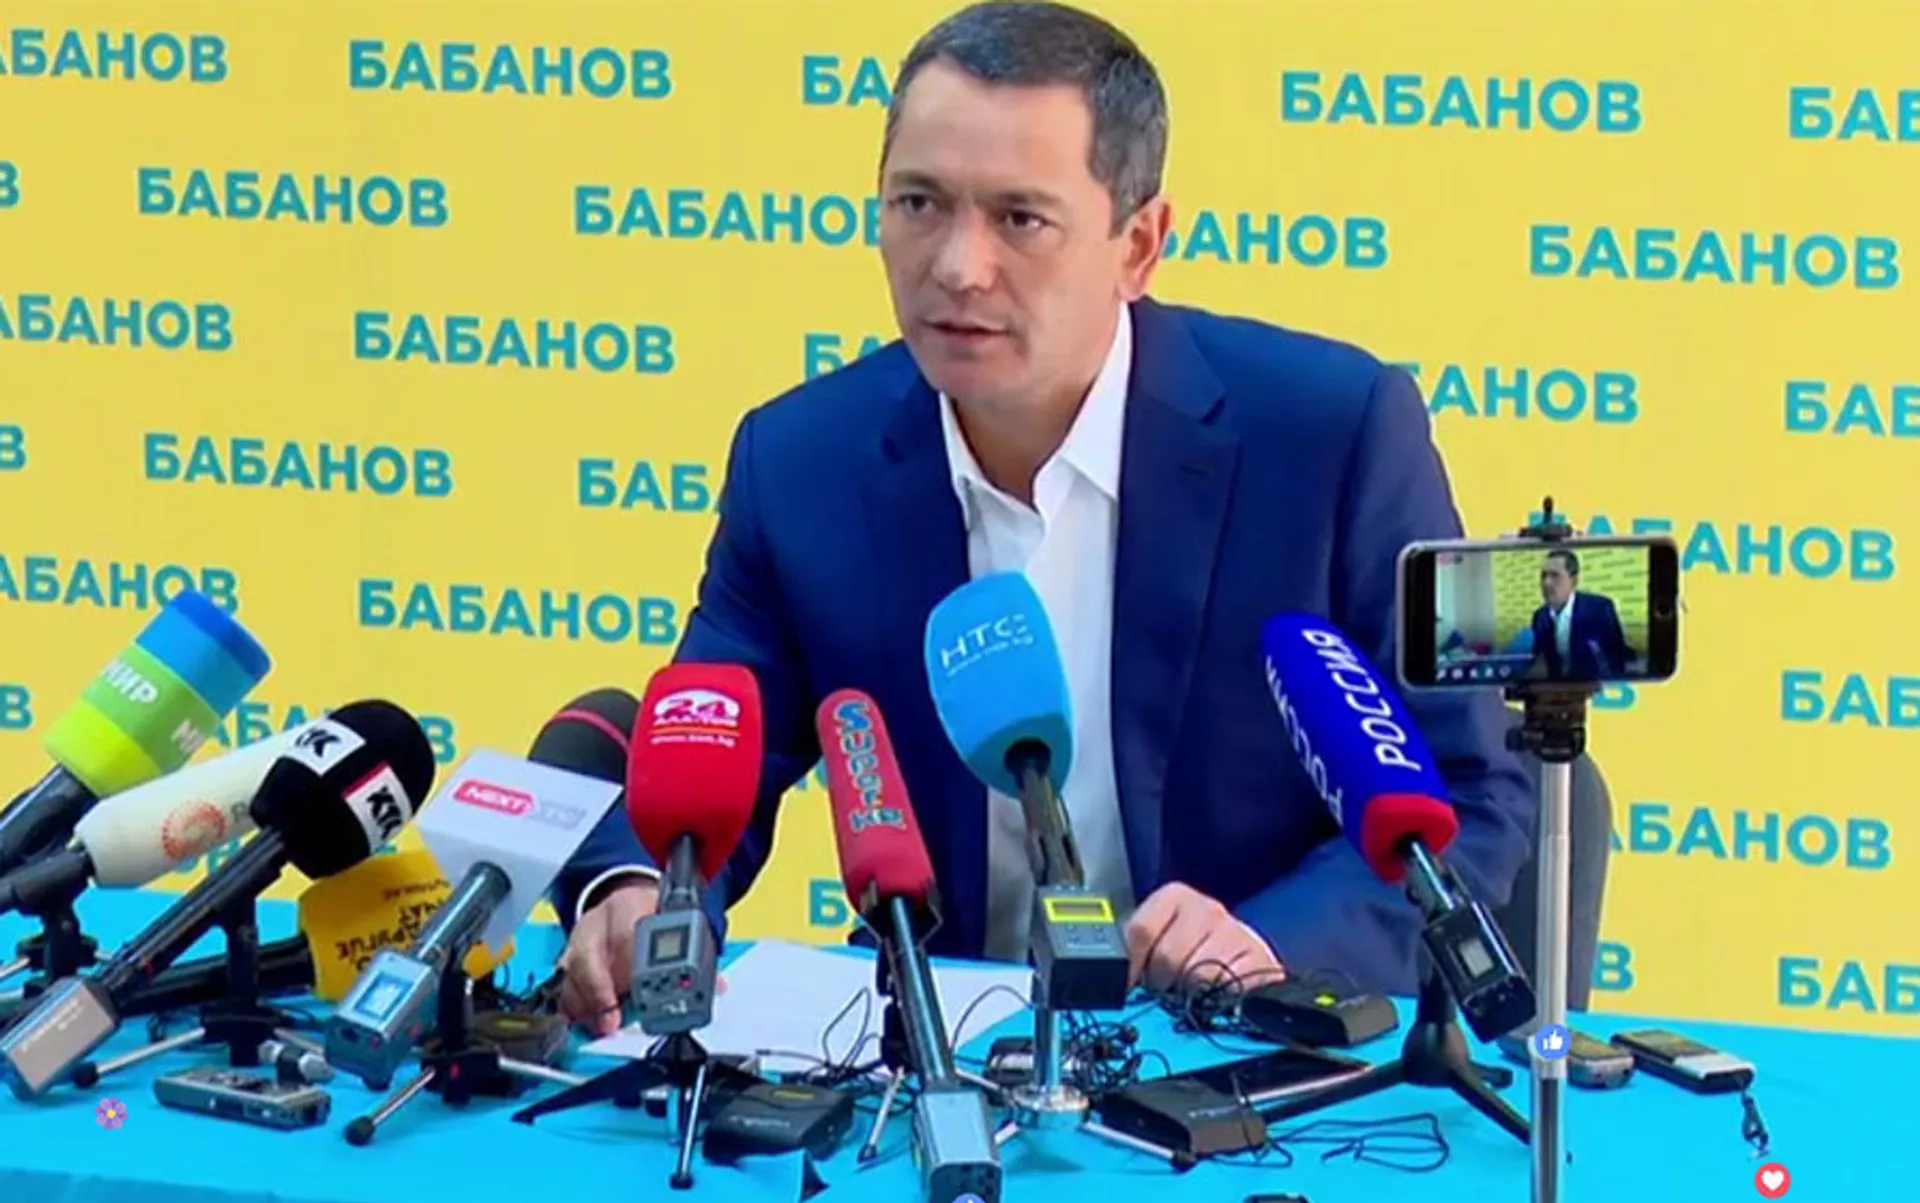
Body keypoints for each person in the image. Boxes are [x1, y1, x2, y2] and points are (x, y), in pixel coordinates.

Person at [549, 1, 1535, 1037]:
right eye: (919, 203)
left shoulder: (1336, 432)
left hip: (1245, 1051)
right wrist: (636, 890)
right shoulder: (799, 462)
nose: (957, 266)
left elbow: (1472, 791)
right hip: (938, 1056)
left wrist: (1266, 944)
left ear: (1138, 244)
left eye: (1020, 219)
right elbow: (714, 753)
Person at [1527, 549, 1636, 680]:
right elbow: (1538, 660)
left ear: (1573, 581)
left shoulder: (1599, 609)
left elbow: (1616, 658)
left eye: (1555, 576)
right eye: (1543, 576)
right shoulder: (1540, 616)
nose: (1546, 583)